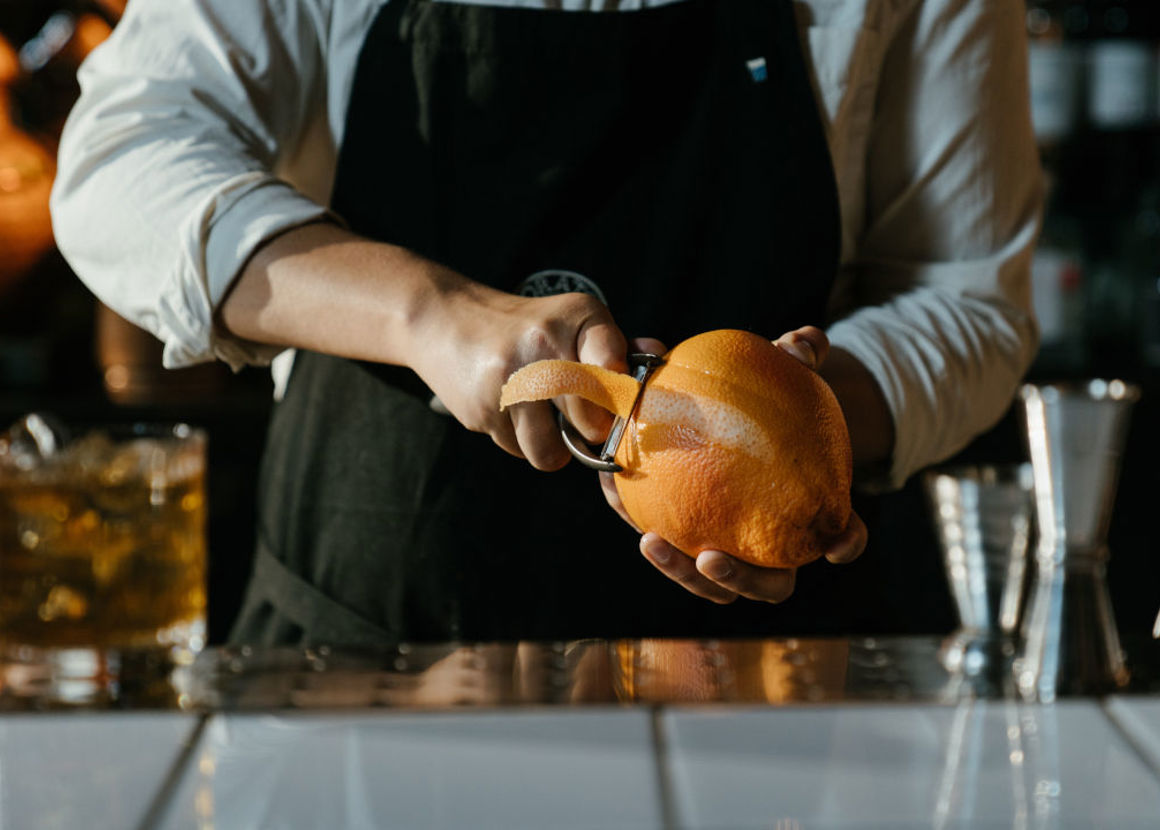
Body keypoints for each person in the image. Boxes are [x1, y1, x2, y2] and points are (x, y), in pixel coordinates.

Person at [50, 0, 1041, 645]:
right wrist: (427, 312)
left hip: (758, 678)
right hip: (353, 656)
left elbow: (963, 291)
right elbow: (119, 163)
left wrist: (802, 418)